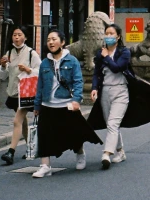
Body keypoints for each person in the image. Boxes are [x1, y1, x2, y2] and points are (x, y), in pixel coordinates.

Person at [32, 30, 101, 178]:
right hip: (48, 104)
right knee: (44, 135)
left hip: (66, 104)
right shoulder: (44, 63)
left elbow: (78, 82)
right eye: (48, 39)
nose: (50, 42)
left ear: (62, 42)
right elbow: (40, 86)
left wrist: (77, 100)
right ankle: (45, 166)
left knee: (74, 133)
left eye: (54, 39)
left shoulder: (72, 61)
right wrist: (37, 105)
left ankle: (80, 152)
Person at [0, 25, 41, 165]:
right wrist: (3, 66)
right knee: (23, 122)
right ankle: (31, 148)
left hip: (27, 94)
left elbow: (40, 71)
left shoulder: (31, 53)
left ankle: (11, 152)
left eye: (19, 35)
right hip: (14, 93)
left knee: (17, 121)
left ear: (25, 37)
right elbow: (2, 76)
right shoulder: (9, 53)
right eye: (14, 35)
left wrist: (28, 70)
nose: (16, 37)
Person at [90, 23, 132, 170]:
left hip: (120, 91)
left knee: (113, 123)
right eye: (106, 33)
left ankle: (106, 154)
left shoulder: (124, 52)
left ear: (118, 36)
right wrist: (94, 88)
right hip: (105, 92)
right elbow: (96, 73)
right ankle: (120, 151)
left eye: (111, 34)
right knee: (111, 124)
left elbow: (117, 68)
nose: (108, 36)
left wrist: (107, 57)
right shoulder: (100, 53)